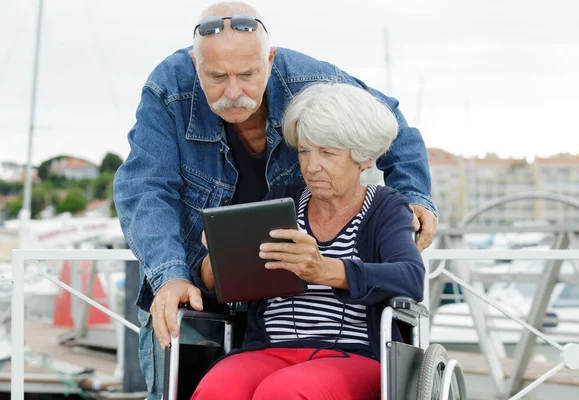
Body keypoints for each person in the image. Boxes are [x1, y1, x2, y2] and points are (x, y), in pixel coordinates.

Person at [113, 1, 436, 397]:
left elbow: (395, 132)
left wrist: (414, 200)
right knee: (207, 387)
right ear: (196, 67)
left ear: (269, 59)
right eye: (216, 77)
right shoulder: (170, 89)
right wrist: (184, 271)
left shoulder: (314, 83)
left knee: (284, 391)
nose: (233, 92)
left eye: (247, 74)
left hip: (347, 350)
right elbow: (145, 188)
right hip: (250, 318)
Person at [191, 82, 425, 399]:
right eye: (304, 151)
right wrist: (219, 259)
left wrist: (323, 270)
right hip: (270, 347)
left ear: (365, 157)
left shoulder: (386, 207)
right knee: (217, 389)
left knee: (284, 392)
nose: (311, 166)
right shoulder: (281, 201)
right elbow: (217, 283)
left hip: (353, 353)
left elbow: (410, 278)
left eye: (327, 152)